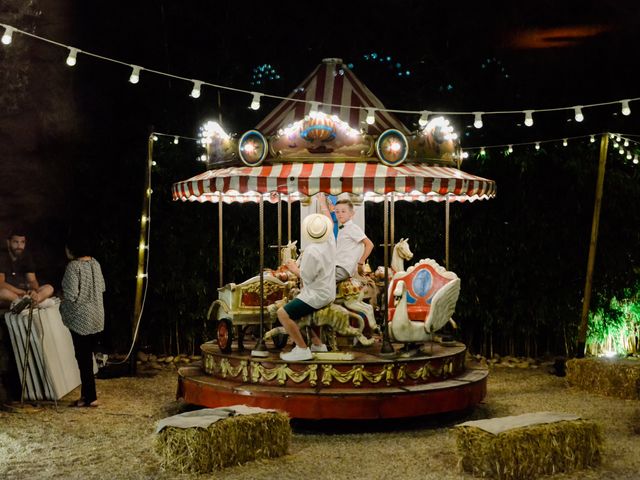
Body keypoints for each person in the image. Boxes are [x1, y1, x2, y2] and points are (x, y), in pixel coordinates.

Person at [278, 214, 336, 362]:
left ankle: (302, 349)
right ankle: (317, 344)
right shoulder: (330, 242)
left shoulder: (312, 251)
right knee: (301, 312)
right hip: (328, 291)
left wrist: (292, 268)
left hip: (317, 294)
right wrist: (323, 205)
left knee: (283, 313)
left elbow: (306, 277)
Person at [60, 235, 106, 407]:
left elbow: (71, 294)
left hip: (80, 319)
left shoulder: (73, 267)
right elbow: (102, 287)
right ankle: (86, 396)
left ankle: (90, 397)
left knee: (83, 359)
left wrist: (61, 298)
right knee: (88, 358)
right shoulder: (95, 263)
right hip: (97, 315)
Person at [318, 193, 374, 281]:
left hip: (343, 268)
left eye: (343, 211)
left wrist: (360, 262)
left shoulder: (352, 228)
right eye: (337, 212)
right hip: (338, 266)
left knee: (318, 281)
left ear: (351, 213)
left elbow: (369, 244)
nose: (340, 214)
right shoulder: (343, 228)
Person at [0, 230, 54, 308]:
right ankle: (33, 303)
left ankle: (33, 301)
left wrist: (33, 291)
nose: (19, 246)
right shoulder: (2, 257)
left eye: (22, 242)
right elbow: (1, 284)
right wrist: (19, 292)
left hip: (25, 294)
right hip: (12, 294)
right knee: (3, 293)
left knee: (49, 288)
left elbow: (32, 281)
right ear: (8, 242)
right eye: (16, 242)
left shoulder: (26, 257)